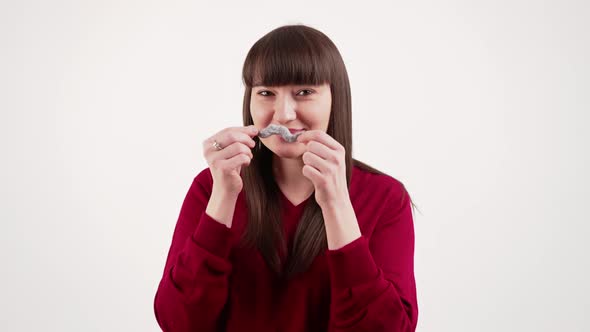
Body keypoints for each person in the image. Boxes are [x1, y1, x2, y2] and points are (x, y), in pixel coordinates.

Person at [153, 24, 419, 332]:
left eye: (304, 92)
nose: (283, 114)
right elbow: (179, 323)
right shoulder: (211, 186)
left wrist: (336, 204)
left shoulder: (385, 197)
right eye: (266, 93)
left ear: (336, 98)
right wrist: (223, 197)